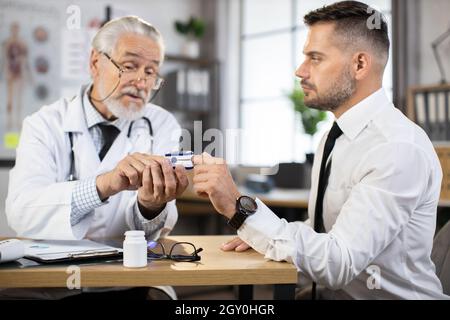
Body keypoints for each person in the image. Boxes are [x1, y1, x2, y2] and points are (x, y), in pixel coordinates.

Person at [191, 1, 449, 299]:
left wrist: (239, 208)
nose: (300, 71)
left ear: (360, 64)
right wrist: (262, 234)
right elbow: (325, 232)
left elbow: (338, 263)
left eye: (315, 58)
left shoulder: (396, 149)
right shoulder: (333, 135)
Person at [4, 16, 188, 299]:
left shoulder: (162, 125)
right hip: (51, 283)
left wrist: (150, 206)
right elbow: (21, 212)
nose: (141, 82)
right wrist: (104, 185)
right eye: (129, 66)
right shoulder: (43, 124)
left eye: (151, 72)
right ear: (95, 63)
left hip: (131, 280)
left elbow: (155, 228)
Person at [1, 22, 31, 131]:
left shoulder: (22, 43)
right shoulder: (7, 43)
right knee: (10, 99)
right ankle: (9, 121)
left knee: (19, 98)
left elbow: (26, 60)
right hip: (10, 72)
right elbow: (4, 59)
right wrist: (3, 73)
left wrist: (28, 75)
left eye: (16, 29)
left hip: (19, 72)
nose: (15, 31)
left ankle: (18, 121)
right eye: (13, 29)